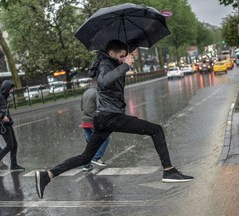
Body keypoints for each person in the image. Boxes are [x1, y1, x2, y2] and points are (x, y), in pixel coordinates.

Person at [35, 40, 193, 199]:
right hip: (111, 116)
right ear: (111, 53)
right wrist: (125, 65)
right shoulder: (105, 64)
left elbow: (120, 65)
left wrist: (127, 57)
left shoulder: (111, 62)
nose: (124, 58)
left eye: (125, 56)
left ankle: (47, 175)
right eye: (121, 56)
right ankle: (168, 170)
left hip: (103, 118)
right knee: (156, 130)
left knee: (86, 157)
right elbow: (103, 82)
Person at [0, 80, 25, 174]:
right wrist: (1, 116)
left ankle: (13, 165)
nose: (12, 91)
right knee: (10, 145)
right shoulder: (0, 97)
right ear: (6, 89)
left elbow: (5, 111)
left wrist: (9, 119)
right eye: (11, 89)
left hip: (7, 124)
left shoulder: (4, 97)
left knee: (14, 144)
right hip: (2, 125)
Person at [81, 83, 110, 171]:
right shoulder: (98, 92)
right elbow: (100, 108)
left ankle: (86, 165)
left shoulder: (85, 93)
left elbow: (82, 108)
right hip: (94, 121)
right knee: (105, 138)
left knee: (91, 144)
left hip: (85, 122)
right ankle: (96, 158)